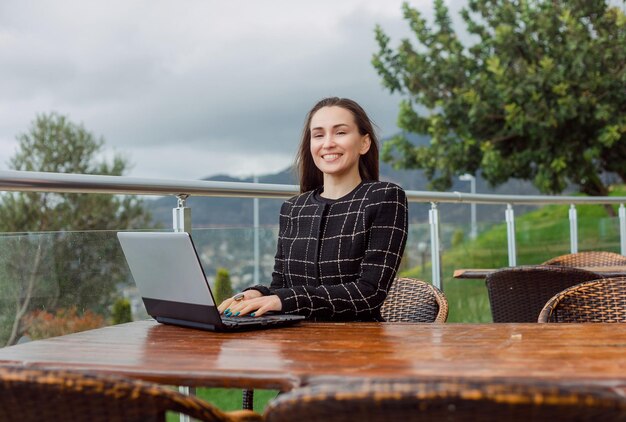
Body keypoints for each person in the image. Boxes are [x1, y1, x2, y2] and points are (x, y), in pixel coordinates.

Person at [218, 97, 408, 321]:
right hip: (295, 343)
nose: (327, 143)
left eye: (340, 132)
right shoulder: (292, 208)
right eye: (318, 135)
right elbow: (282, 286)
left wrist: (285, 299)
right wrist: (257, 293)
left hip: (358, 343)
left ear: (364, 143)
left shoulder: (384, 198)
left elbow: (369, 292)